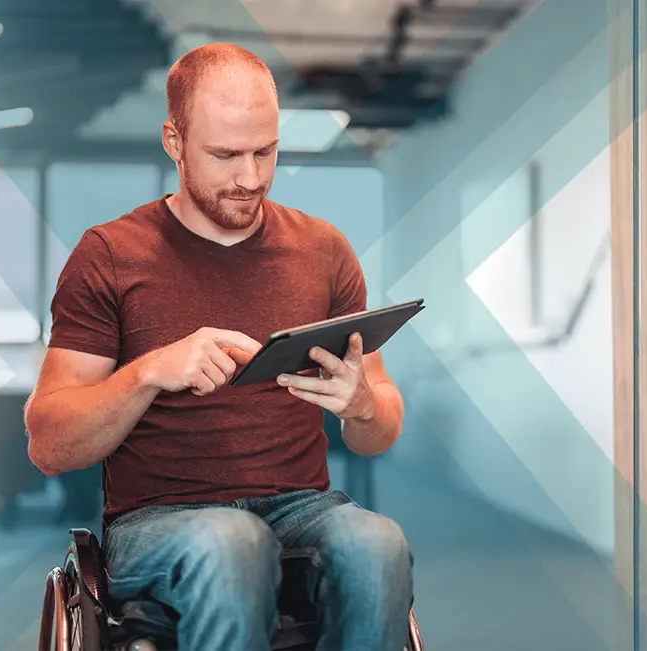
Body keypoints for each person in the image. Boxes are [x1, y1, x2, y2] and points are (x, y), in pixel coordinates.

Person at [25, 43, 412, 651]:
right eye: (225, 155)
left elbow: (382, 427)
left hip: (300, 505)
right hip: (156, 520)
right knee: (233, 541)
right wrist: (149, 372)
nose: (250, 178)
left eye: (266, 152)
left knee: (378, 542)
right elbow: (48, 443)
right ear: (174, 142)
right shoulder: (109, 255)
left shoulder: (324, 252)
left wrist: (361, 403)